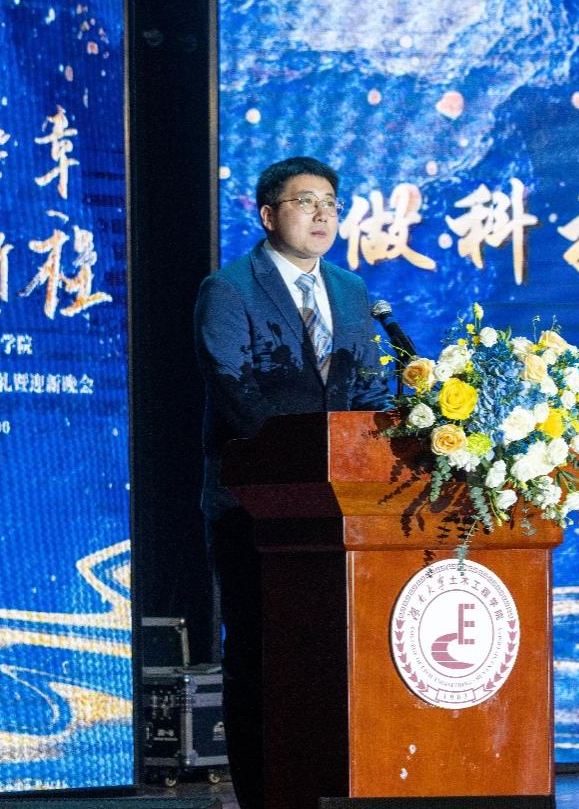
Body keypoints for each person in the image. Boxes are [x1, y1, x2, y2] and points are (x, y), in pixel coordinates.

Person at [193, 156, 392, 808]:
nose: (322, 214)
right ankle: (262, 795)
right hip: (255, 508)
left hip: (339, 514)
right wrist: (309, 462)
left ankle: (330, 787)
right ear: (267, 214)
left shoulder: (351, 291)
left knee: (330, 655)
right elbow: (236, 392)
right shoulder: (229, 289)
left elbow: (367, 390)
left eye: (330, 202)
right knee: (260, 652)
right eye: (305, 201)